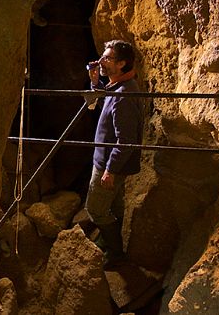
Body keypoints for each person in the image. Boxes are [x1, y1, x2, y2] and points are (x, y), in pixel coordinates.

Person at [85, 39, 143, 269]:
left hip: (109, 165)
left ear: (121, 64)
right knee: (115, 205)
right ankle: (110, 242)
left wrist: (109, 170)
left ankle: (115, 251)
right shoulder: (119, 86)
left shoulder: (123, 95)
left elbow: (126, 141)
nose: (101, 61)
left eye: (108, 58)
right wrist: (95, 82)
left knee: (96, 209)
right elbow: (105, 104)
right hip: (112, 162)